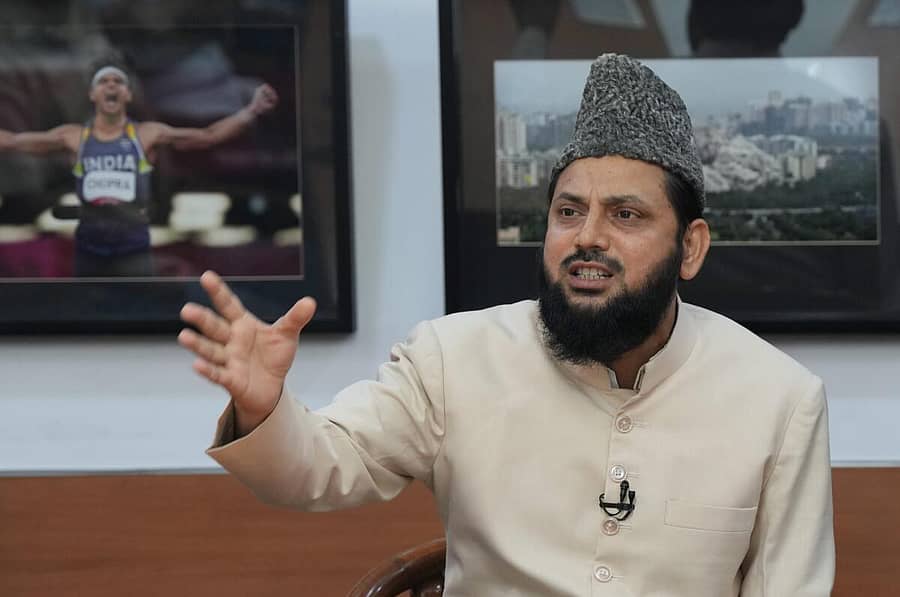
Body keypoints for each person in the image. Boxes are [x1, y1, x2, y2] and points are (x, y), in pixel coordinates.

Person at [179, 54, 834, 596]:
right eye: (568, 212)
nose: (588, 237)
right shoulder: (453, 357)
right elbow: (318, 468)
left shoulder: (778, 399)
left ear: (690, 247)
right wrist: (264, 407)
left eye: (626, 215)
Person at [0, 64, 278, 277]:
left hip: (132, 248)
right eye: (104, 82)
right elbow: (13, 141)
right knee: (88, 317)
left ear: (128, 95)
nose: (111, 85)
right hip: (89, 248)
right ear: (93, 95)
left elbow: (208, 136)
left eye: (118, 82)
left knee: (140, 310)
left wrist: (251, 111)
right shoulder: (74, 137)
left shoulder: (146, 135)